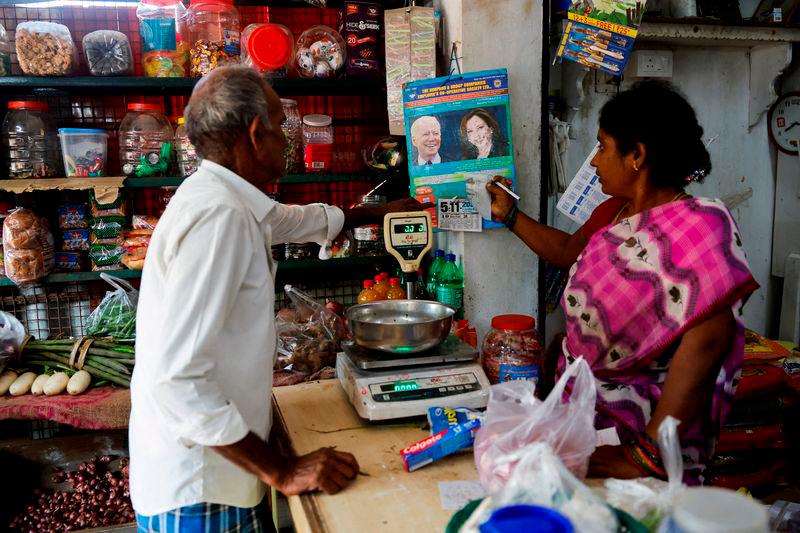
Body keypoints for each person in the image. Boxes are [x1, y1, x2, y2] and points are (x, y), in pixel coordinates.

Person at [129, 66, 429, 532]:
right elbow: (177, 381)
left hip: (220, 470)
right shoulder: (219, 218)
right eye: (279, 126)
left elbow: (290, 220)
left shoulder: (224, 195)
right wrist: (283, 470)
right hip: (202, 489)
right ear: (254, 135)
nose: (287, 138)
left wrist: (377, 212)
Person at [487, 80, 759, 484]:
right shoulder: (615, 211)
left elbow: (708, 340)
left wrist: (644, 454)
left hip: (648, 438)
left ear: (637, 155)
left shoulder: (701, 227)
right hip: (587, 418)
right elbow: (567, 253)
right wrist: (510, 216)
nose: (594, 161)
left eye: (602, 145)